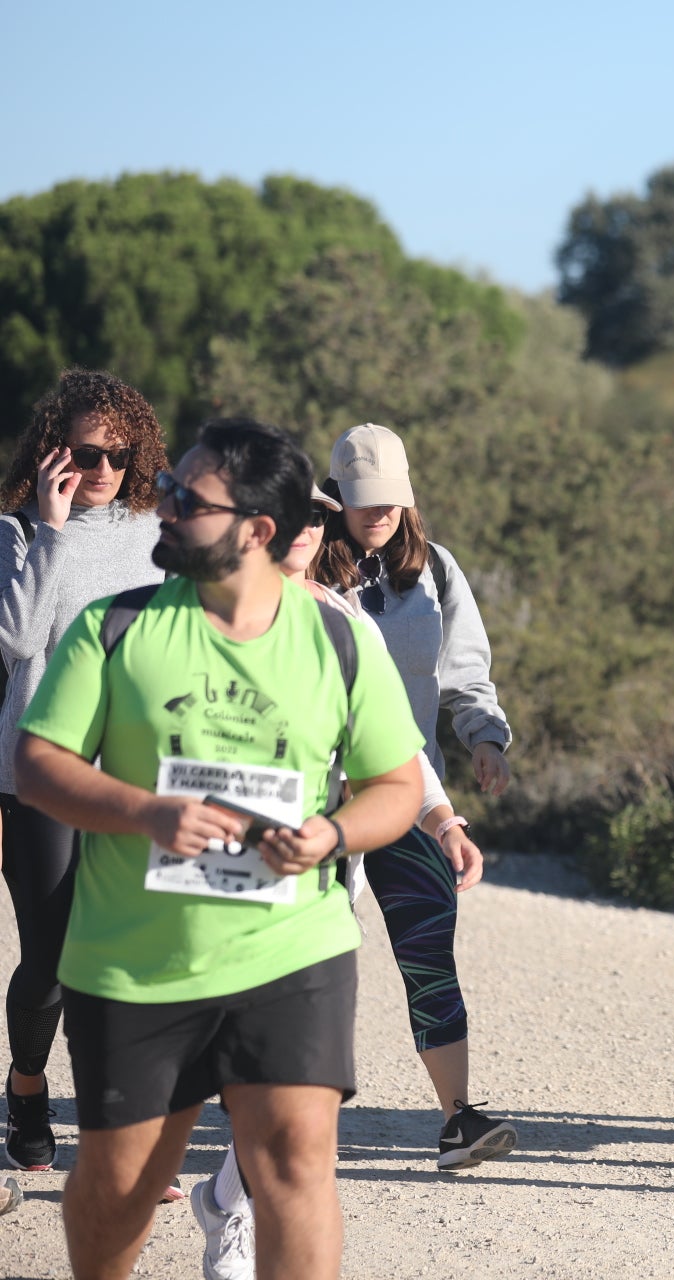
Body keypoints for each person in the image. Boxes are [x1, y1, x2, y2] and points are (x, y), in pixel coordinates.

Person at [12, 418, 424, 1280]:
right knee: (121, 1188)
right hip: (137, 961)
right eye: (166, 489)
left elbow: (396, 786)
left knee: (297, 1163)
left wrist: (334, 833)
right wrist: (146, 813)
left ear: (257, 529)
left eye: (184, 499)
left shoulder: (340, 639)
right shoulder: (115, 628)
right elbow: (40, 764)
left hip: (292, 950)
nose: (160, 507)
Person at [193, 483, 489, 1280]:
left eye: (318, 515)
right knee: (242, 1054)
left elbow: (396, 745)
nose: (307, 526)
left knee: (293, 1064)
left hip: (318, 878)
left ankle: (231, 1206)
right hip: (217, 866)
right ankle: (223, 1196)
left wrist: (444, 821)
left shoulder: (346, 619)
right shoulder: (204, 612)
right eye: (291, 511)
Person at [309, 423, 517, 1171]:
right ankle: (282, 1109)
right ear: (334, 497)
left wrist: (483, 736)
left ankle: (458, 1119)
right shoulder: (307, 575)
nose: (379, 514)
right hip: (320, 801)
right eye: (364, 501)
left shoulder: (435, 571)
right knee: (311, 962)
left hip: (408, 788)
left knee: (429, 949)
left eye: (391, 501)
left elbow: (464, 668)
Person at [0, 370, 167, 1175]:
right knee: (53, 960)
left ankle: (123, 1135)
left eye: (118, 454)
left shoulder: (156, 531)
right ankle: (27, 1087)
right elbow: (19, 639)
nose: (103, 469)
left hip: (134, 776)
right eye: (87, 453)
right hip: (41, 776)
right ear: (53, 451)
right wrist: (53, 529)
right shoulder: (17, 534)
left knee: (131, 960)